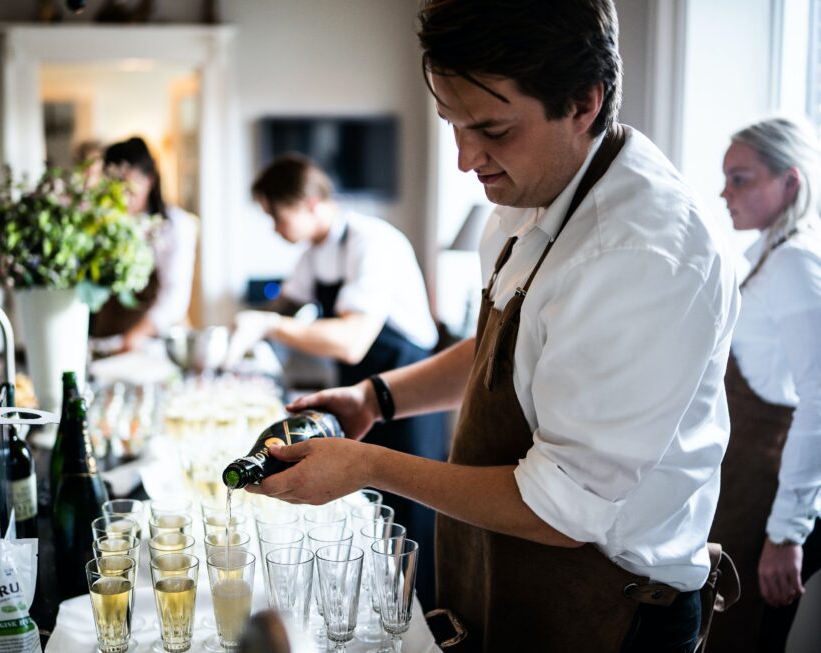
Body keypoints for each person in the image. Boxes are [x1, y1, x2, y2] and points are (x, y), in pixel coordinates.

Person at [243, 1, 742, 651]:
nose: (464, 159)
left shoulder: (645, 255)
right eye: (452, 124)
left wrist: (364, 464)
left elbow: (562, 509)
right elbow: (501, 350)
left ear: (584, 103)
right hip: (508, 576)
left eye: (494, 130)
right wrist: (376, 397)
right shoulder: (533, 196)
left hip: (611, 613)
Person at [228, 153, 447, 608]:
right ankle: (380, 607)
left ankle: (425, 617)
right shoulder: (315, 254)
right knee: (365, 509)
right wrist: (243, 324)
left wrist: (265, 327)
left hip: (408, 391)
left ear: (308, 203)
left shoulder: (373, 242)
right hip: (359, 394)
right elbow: (283, 307)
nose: (272, 227)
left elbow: (351, 341)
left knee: (409, 519)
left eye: (275, 213)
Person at [705, 117, 821, 652]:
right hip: (736, 479)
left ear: (790, 182)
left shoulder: (797, 263)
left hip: (763, 489)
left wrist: (786, 533)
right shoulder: (765, 259)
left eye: (741, 178)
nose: (724, 191)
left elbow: (818, 400)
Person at [89, 136, 198, 350]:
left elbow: (174, 299)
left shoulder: (175, 225)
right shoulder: (99, 224)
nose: (120, 193)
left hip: (157, 341)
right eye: (112, 184)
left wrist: (134, 337)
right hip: (106, 338)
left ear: (149, 179)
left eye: (127, 185)